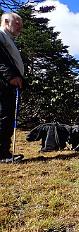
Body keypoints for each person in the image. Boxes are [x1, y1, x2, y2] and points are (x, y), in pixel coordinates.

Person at [0, 13, 24, 163]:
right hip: (4, 82)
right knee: (4, 116)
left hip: (9, 83)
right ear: (6, 21)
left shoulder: (7, 38)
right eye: (17, 24)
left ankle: (4, 151)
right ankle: (2, 154)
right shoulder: (1, 35)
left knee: (7, 116)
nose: (20, 28)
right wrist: (10, 76)